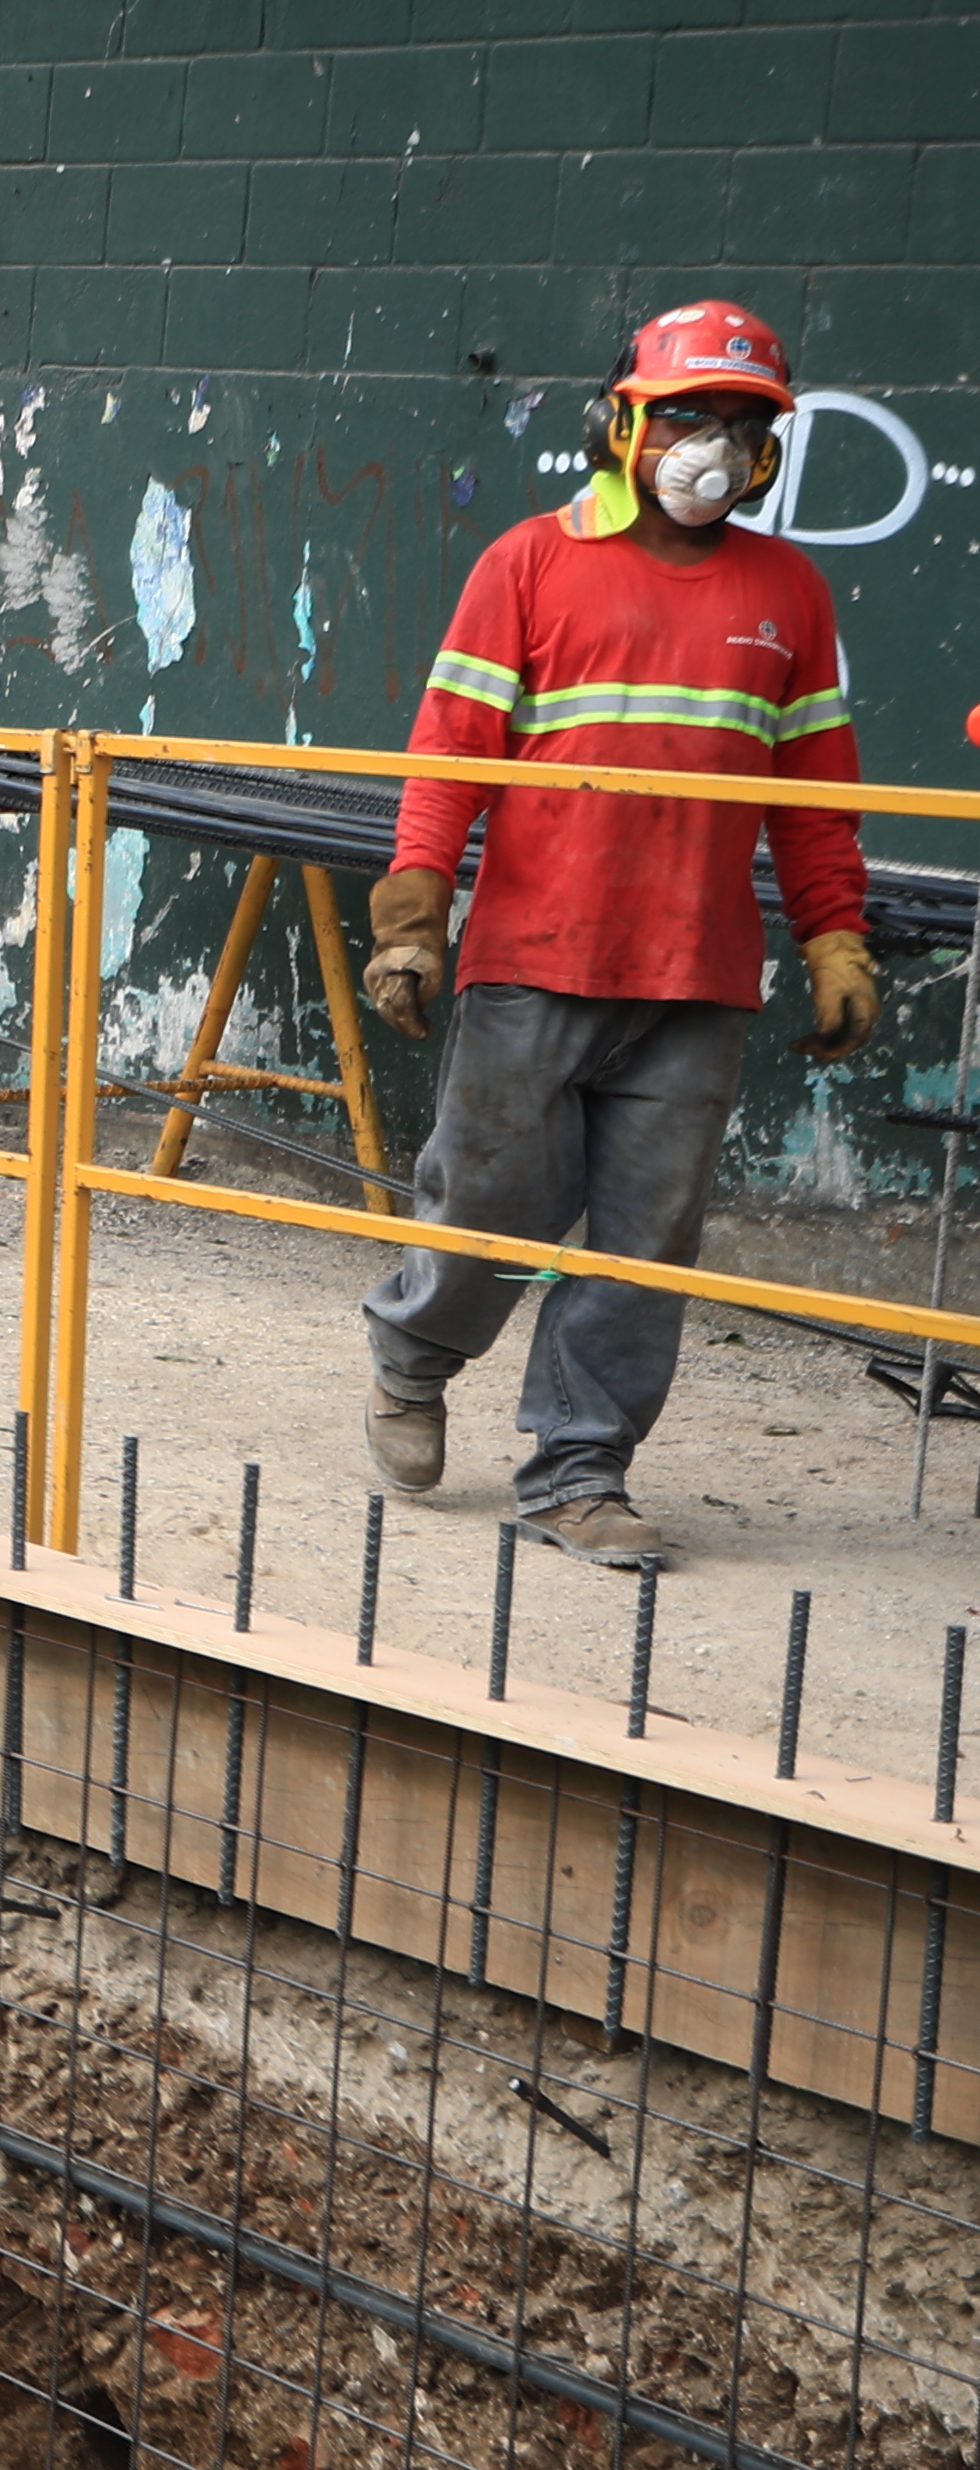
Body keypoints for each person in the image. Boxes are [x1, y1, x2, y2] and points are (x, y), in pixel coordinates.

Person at [357, 299, 877, 1574]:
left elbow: (815, 796)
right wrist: (414, 921)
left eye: (743, 427)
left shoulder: (789, 592)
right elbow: (449, 759)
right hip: (538, 958)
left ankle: (578, 1474)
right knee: (493, 1202)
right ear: (622, 422)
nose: (713, 446)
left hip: (697, 980)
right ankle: (413, 1358)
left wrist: (835, 940)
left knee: (647, 1243)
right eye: (686, 415)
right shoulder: (528, 564)